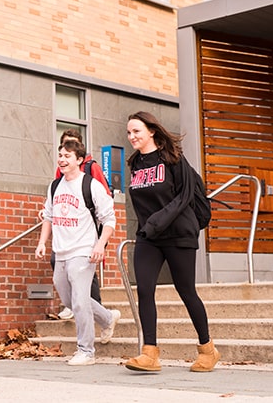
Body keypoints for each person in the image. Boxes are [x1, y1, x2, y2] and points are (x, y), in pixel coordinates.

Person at [124, 111, 220, 372]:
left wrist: (155, 222)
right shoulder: (136, 163)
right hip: (150, 237)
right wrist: (147, 227)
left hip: (178, 234)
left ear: (152, 131)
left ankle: (207, 350)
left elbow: (184, 197)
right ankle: (150, 353)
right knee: (144, 288)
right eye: (129, 132)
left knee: (186, 291)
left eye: (137, 131)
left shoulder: (173, 158)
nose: (132, 136)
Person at [36, 140, 121, 366]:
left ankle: (86, 350)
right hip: (61, 250)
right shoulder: (55, 186)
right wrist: (42, 242)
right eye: (60, 155)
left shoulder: (91, 186)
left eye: (67, 156)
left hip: (84, 250)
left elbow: (109, 219)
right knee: (70, 299)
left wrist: (100, 244)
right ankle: (108, 317)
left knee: (80, 300)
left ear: (79, 160)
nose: (62, 159)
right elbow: (49, 217)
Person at [42, 129, 111, 320]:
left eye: (70, 149)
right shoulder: (59, 175)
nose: (63, 157)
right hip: (65, 235)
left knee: (86, 271)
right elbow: (57, 197)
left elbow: (105, 198)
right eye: (62, 150)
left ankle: (92, 311)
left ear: (79, 155)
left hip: (87, 228)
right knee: (59, 267)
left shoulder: (92, 168)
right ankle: (80, 307)